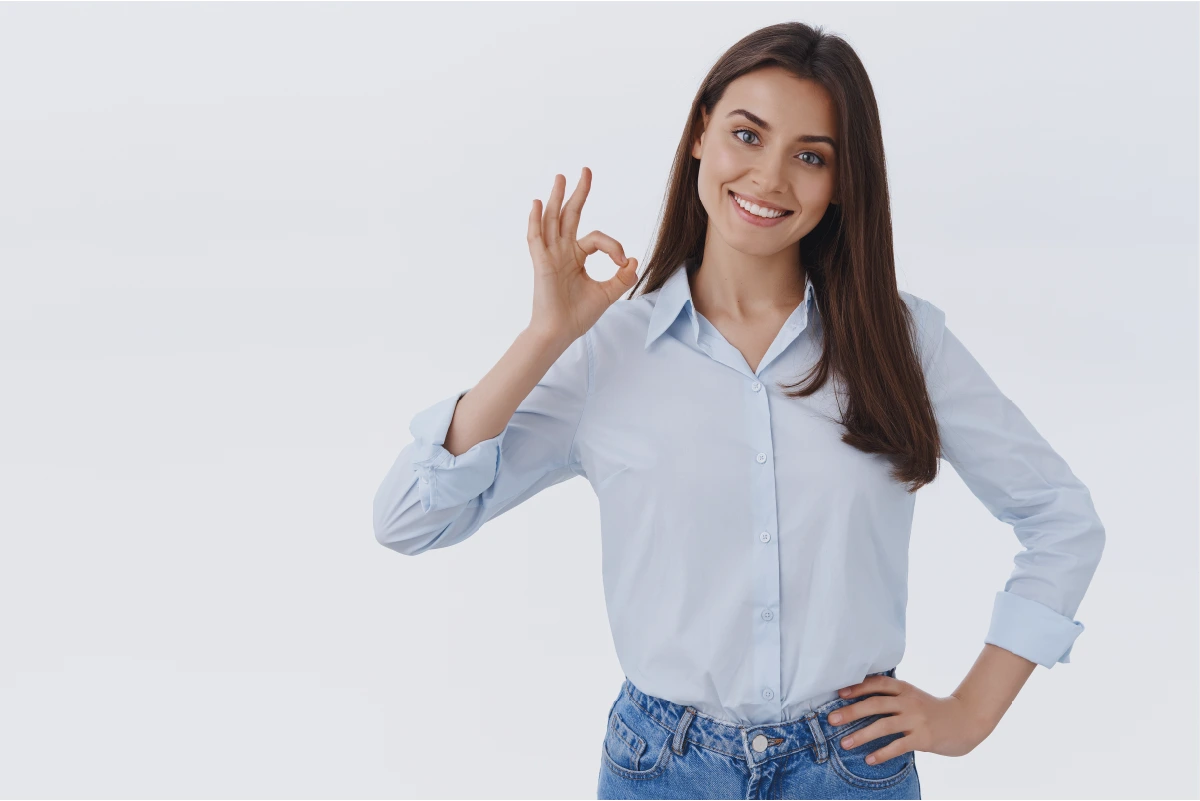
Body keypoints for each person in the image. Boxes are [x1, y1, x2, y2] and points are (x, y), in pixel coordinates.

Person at [372, 21, 1105, 800]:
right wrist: (546, 333)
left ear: (842, 182)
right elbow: (409, 518)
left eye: (810, 156)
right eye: (746, 135)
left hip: (849, 767)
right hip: (662, 768)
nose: (769, 178)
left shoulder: (902, 340)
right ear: (699, 135)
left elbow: (1060, 516)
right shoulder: (602, 355)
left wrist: (970, 711)